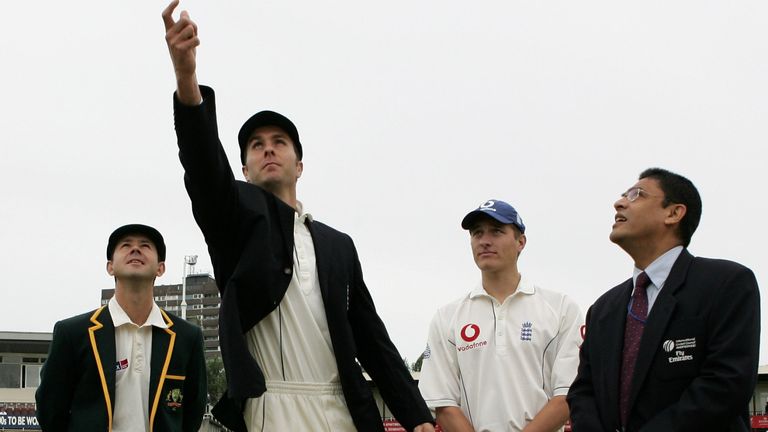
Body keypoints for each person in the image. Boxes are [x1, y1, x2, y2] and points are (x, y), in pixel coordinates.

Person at [161, 2, 434, 431]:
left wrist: (417, 418)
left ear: (299, 164)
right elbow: (203, 167)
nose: (268, 148)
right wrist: (186, 79)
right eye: (256, 145)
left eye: (280, 141)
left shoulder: (337, 245)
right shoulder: (234, 219)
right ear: (245, 170)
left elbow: (372, 339)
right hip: (273, 405)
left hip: (343, 408)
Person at [567, 168, 761, 431]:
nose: (620, 202)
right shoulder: (603, 308)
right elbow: (583, 392)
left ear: (673, 213)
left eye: (637, 195)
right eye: (623, 194)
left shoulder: (726, 283)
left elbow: (726, 383)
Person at [418, 199, 583, 432]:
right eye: (477, 233)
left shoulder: (561, 308)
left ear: (521, 242)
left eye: (496, 231)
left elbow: (567, 393)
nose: (484, 241)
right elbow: (443, 402)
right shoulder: (447, 317)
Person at [35, 224, 207, 431]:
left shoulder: (186, 337)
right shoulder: (73, 333)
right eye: (126, 245)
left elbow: (193, 412)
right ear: (110, 266)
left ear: (160, 268)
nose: (135, 249)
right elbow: (50, 410)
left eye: (145, 246)